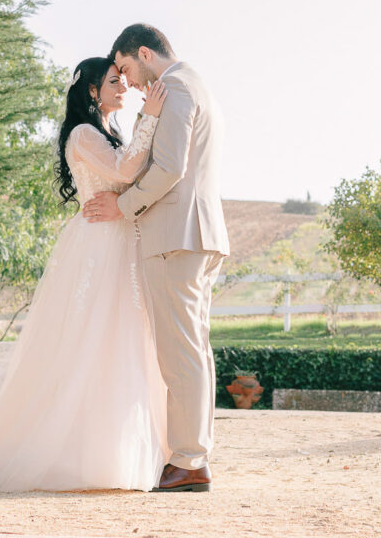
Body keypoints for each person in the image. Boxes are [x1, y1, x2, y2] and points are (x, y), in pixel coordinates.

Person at [0, 57, 169, 492]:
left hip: (121, 241)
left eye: (124, 79)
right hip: (98, 247)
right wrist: (151, 116)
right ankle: (78, 454)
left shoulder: (109, 132)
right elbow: (126, 170)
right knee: (90, 341)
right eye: (114, 80)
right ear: (92, 91)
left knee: (121, 343)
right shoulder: (84, 134)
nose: (123, 85)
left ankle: (125, 449)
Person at [83, 25, 229, 494]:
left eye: (127, 68)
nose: (132, 82)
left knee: (180, 353)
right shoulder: (196, 83)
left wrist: (122, 206)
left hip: (174, 237)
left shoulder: (178, 87)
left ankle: (189, 460)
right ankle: (192, 454)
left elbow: (170, 167)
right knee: (194, 350)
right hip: (196, 235)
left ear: (144, 53)